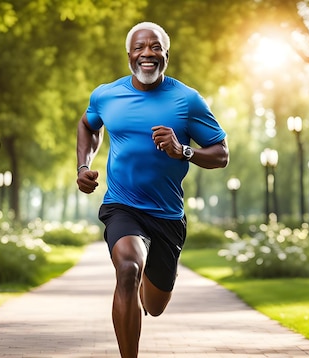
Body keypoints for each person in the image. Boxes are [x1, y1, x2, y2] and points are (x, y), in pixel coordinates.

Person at [75, 21, 229, 358]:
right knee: (128, 269)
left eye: (155, 47)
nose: (148, 53)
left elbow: (221, 155)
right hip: (122, 206)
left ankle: (147, 284)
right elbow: (88, 125)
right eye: (141, 47)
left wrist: (183, 150)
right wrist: (83, 166)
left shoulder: (187, 100)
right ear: (129, 54)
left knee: (155, 305)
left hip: (167, 216)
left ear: (166, 55)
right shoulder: (106, 95)